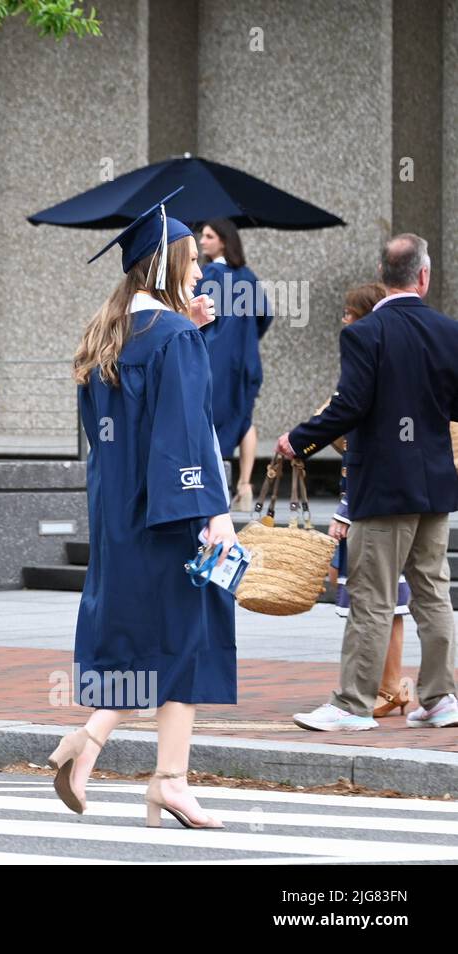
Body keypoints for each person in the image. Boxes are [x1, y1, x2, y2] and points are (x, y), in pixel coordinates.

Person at [51, 188, 235, 829]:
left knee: (150, 642)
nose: (199, 272)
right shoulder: (174, 336)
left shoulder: (112, 334)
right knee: (186, 637)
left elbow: (140, 421)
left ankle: (94, 746)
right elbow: (183, 431)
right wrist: (212, 511)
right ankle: (165, 778)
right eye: (189, 263)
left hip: (118, 515)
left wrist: (195, 333)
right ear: (165, 268)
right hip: (170, 513)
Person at [283, 234, 458, 731]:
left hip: (383, 487)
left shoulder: (366, 333)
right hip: (435, 487)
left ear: (384, 275)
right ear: (423, 276)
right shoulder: (450, 331)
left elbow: (349, 407)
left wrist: (299, 441)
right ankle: (441, 698)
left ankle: (352, 704)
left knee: (371, 598)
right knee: (432, 594)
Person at [321, 283, 415, 719]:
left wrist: (344, 510)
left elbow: (358, 451)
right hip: (377, 497)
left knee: (381, 602)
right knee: (380, 601)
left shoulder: (368, 369)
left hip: (371, 502)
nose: (344, 321)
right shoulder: (382, 365)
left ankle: (388, 686)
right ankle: (389, 685)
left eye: (348, 313)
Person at [195, 218, 270, 512]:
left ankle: (214, 485)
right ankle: (245, 485)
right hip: (247, 361)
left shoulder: (210, 273)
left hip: (218, 360)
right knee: (245, 418)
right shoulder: (248, 276)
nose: (202, 241)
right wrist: (248, 339)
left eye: (209, 236)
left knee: (208, 416)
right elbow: (266, 315)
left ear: (224, 241)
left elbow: (195, 312)